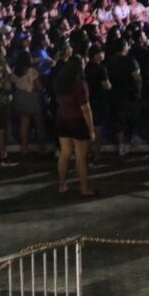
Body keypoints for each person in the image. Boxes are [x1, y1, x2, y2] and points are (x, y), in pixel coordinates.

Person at [54, 55, 97, 197]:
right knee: (81, 157)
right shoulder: (80, 85)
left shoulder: (59, 82)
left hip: (62, 119)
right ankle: (84, 188)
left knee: (64, 153)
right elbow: (85, 108)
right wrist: (91, 129)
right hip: (77, 121)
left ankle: (62, 185)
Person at [105, 39, 141, 156]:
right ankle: (130, 142)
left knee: (118, 120)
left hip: (114, 94)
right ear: (124, 47)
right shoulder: (130, 61)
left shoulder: (109, 62)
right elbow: (137, 78)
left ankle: (121, 145)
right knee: (131, 118)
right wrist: (138, 91)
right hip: (129, 94)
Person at [12, 50, 45, 158]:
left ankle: (24, 149)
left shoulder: (14, 70)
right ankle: (41, 148)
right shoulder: (32, 71)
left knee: (24, 124)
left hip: (19, 97)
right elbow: (39, 86)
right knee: (38, 123)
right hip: (31, 97)